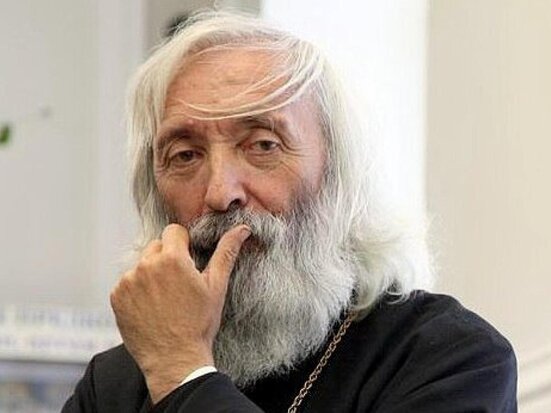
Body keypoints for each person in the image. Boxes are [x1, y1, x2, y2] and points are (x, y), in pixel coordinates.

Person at [63, 11, 517, 413]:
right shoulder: (114, 385)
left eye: (263, 145)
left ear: (336, 179)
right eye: (185, 155)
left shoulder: (450, 358)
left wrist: (183, 373)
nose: (220, 193)